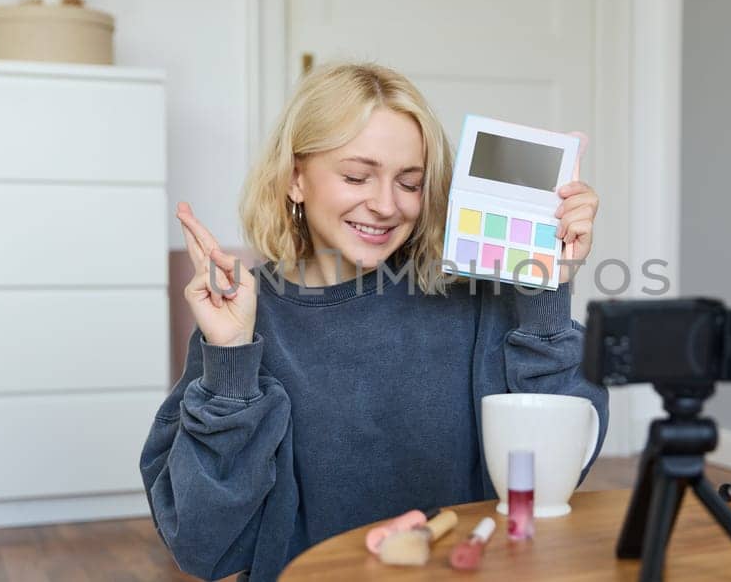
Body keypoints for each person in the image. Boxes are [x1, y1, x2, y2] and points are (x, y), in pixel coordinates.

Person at [139, 62, 608, 581]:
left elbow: (555, 475)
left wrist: (546, 289)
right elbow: (204, 546)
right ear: (296, 178)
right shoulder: (249, 316)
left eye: (409, 183)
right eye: (356, 176)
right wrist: (229, 360)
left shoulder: (475, 301)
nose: (386, 205)